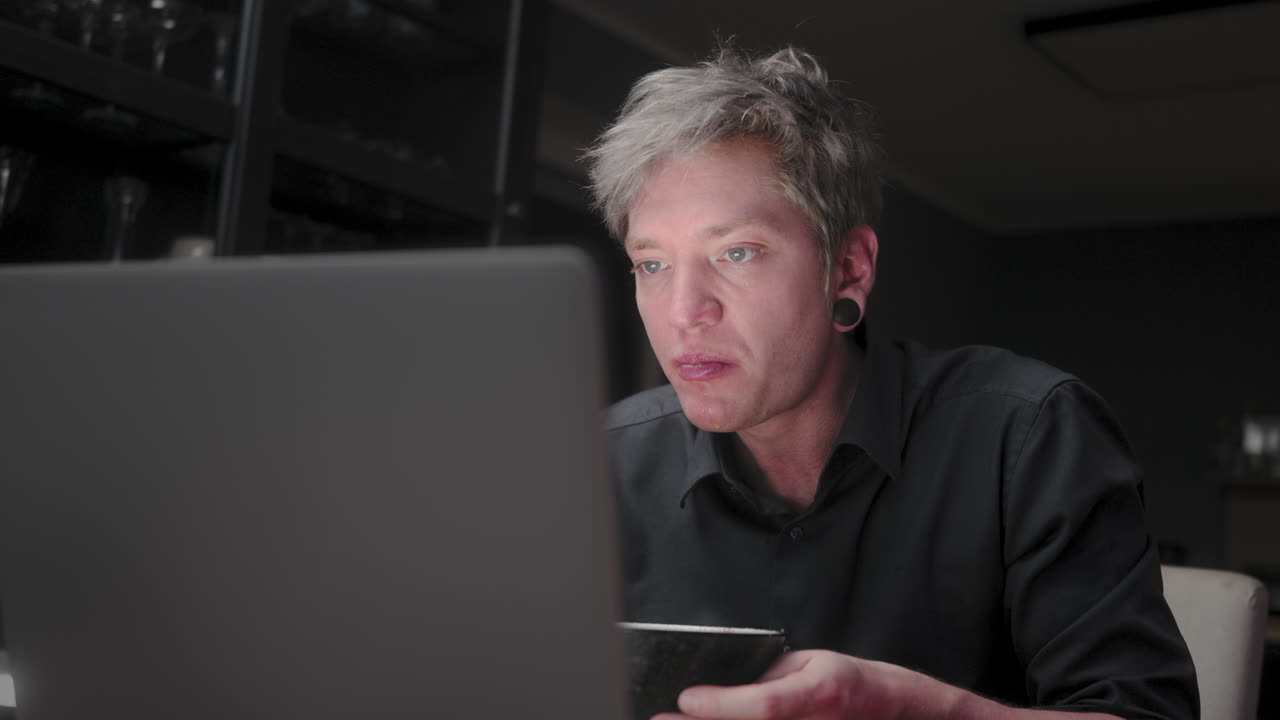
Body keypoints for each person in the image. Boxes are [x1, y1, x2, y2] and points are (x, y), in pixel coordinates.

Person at [585, 46, 1197, 720]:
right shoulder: (600, 464)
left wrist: (921, 712)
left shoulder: (1028, 435)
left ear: (848, 268)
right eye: (651, 264)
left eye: (737, 252)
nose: (684, 312)